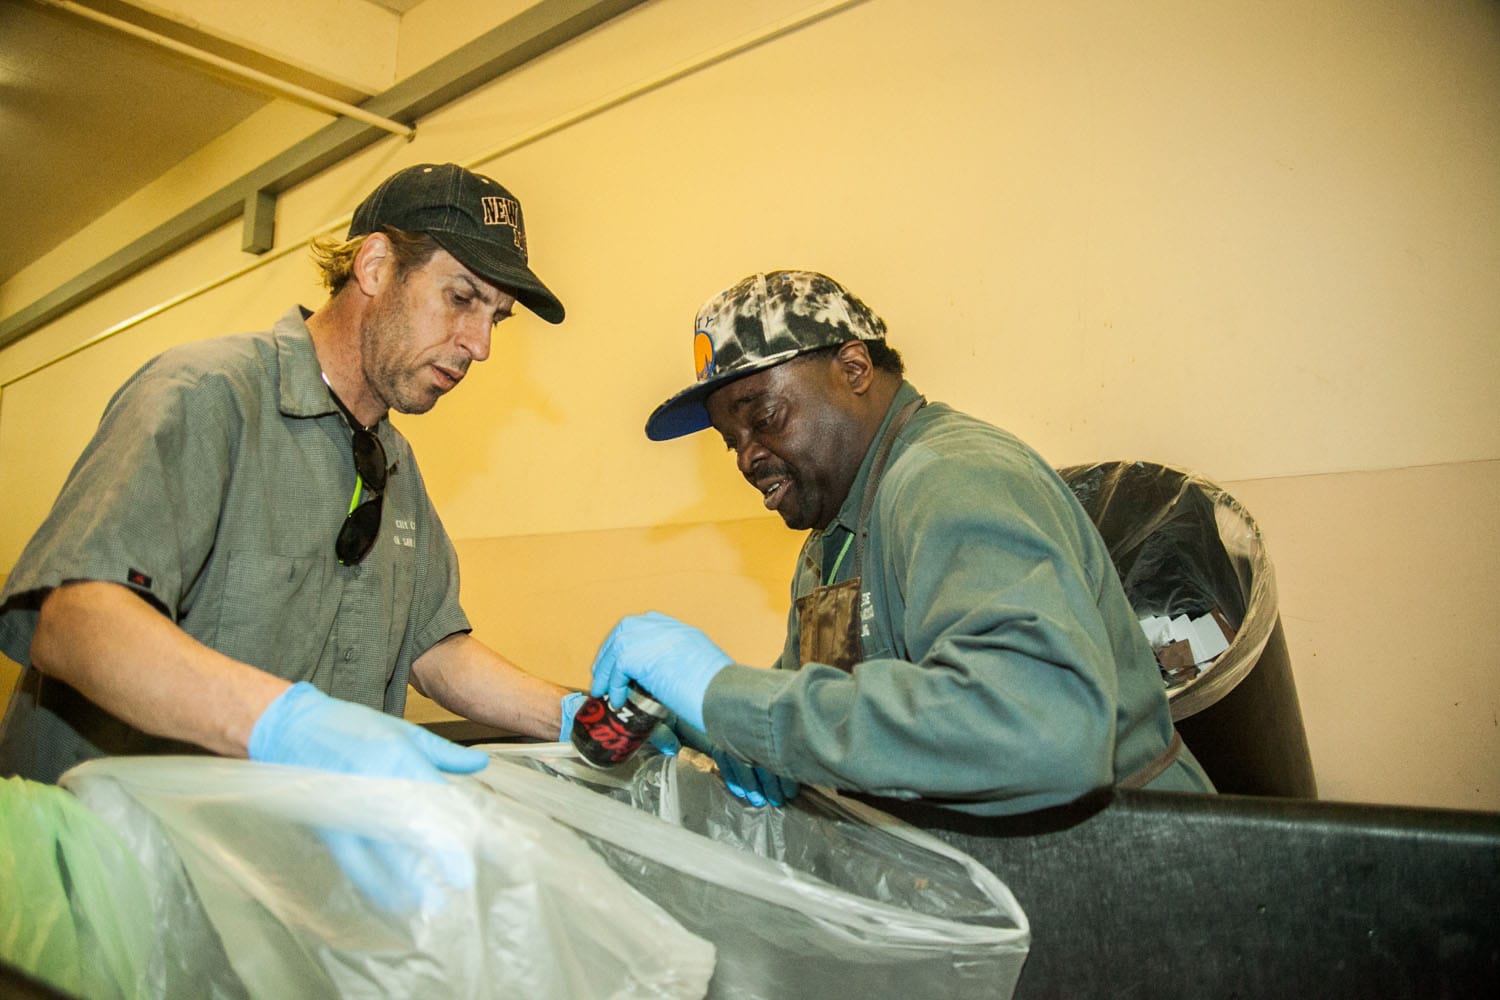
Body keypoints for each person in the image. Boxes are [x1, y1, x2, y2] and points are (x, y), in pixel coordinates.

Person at [0, 162, 589, 788]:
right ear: (375, 266)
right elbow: (75, 624)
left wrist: (582, 719)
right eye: (461, 298)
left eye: (495, 317)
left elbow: (433, 650)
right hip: (106, 858)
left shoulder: (395, 464)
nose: (480, 344)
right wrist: (283, 723)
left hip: (259, 865)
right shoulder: (206, 397)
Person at [591, 270, 1215, 815]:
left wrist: (721, 694)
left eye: (764, 418)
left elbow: (1037, 730)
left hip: (1125, 874)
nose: (748, 457)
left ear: (854, 369)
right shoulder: (833, 541)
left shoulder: (950, 478)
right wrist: (702, 721)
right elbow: (831, 704)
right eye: (732, 441)